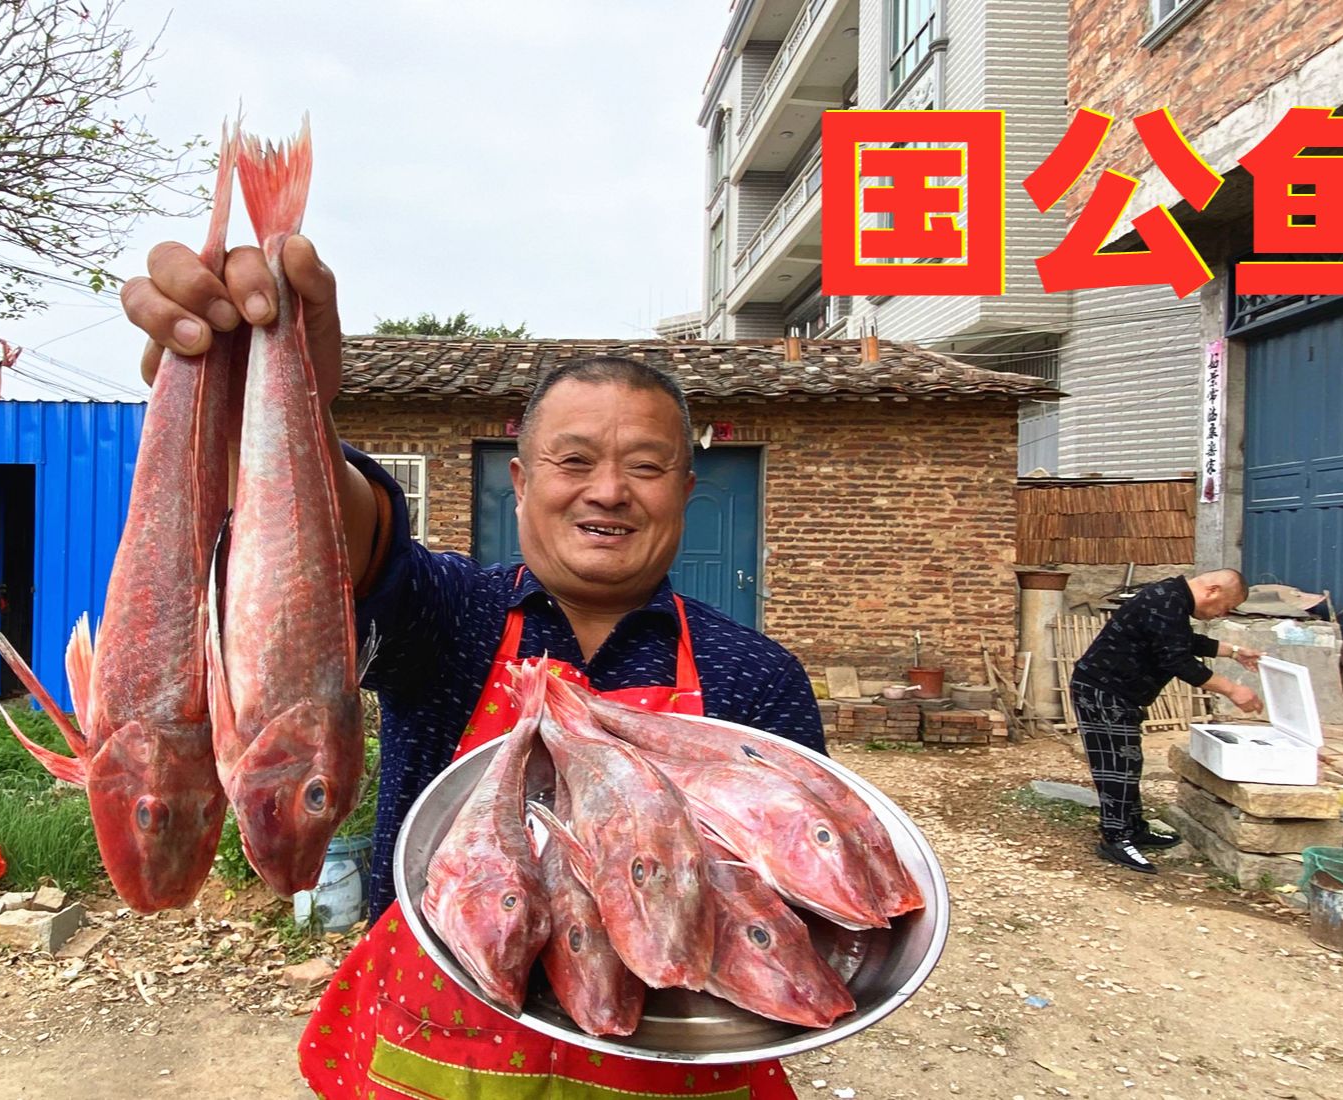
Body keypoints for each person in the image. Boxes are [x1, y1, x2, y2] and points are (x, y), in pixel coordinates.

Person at [122, 235, 823, 1098]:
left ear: (687, 488)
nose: (608, 491)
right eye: (573, 461)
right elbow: (338, 542)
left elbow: (793, 898)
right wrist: (275, 401)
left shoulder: (755, 673)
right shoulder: (450, 617)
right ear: (520, 482)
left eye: (646, 466)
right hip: (436, 1057)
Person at [1067, 569, 1263, 875]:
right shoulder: (1167, 602)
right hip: (1102, 690)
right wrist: (1233, 690)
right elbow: (1178, 661)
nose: (1219, 615)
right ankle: (1116, 839)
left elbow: (1184, 641)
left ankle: (1134, 828)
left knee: (1129, 762)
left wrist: (1234, 652)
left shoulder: (1171, 598)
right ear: (1212, 590)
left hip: (1117, 692)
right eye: (1223, 607)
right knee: (1116, 767)